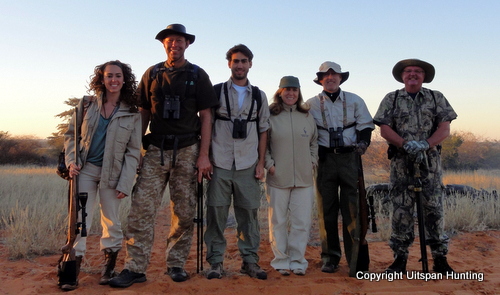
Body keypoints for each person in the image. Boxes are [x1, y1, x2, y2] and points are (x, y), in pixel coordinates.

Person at [109, 24, 219, 287]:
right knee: (141, 210)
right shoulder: (152, 73)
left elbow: (206, 116)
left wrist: (204, 156)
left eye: (179, 41)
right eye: (170, 41)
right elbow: (143, 113)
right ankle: (135, 268)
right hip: (156, 149)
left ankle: (176, 264)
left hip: (187, 149)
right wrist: (136, 152)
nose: (175, 45)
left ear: (187, 44)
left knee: (184, 210)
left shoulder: (198, 75)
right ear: (163, 44)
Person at [62, 60, 142, 289]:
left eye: (118, 75)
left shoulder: (132, 113)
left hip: (113, 174)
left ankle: (108, 267)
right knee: (79, 219)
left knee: (112, 221)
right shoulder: (86, 104)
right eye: (109, 76)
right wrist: (71, 162)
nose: (113, 80)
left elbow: (133, 151)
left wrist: (126, 182)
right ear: (102, 79)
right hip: (84, 170)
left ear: (124, 79)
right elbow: (71, 135)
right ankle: (73, 266)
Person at [373, 59, 457, 274]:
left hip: (430, 164)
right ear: (402, 76)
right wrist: (404, 144)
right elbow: (384, 128)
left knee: (434, 210)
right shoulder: (391, 99)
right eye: (408, 71)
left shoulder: (435, 97)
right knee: (401, 210)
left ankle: (440, 260)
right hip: (401, 164)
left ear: (424, 76)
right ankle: (399, 260)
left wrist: (425, 144)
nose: (413, 74)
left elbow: (444, 127)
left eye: (418, 71)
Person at [204, 44, 270, 280]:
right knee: (216, 215)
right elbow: (207, 125)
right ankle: (215, 263)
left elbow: (263, 130)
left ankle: (250, 261)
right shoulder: (216, 91)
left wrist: (261, 163)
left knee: (249, 216)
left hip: (248, 164)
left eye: (244, 61)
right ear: (229, 64)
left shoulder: (259, 96)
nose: (239, 65)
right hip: (220, 163)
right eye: (235, 61)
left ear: (250, 63)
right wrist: (205, 158)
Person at [306, 61, 374, 273]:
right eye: (326, 75)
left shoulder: (355, 100)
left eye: (334, 74)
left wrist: (363, 144)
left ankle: (355, 260)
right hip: (324, 159)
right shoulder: (310, 104)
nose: (330, 78)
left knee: (353, 210)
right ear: (320, 80)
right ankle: (330, 257)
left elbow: (365, 126)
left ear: (341, 78)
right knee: (326, 209)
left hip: (349, 158)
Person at [265, 76, 318, 276]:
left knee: (301, 222)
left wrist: (312, 160)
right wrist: (270, 165)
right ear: (279, 92)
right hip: (278, 178)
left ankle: (297, 261)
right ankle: (280, 260)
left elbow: (314, 141)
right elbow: (264, 143)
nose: (291, 93)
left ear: (299, 92)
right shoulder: (271, 115)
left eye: (294, 90)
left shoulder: (306, 115)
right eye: (286, 90)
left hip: (304, 178)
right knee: (277, 220)